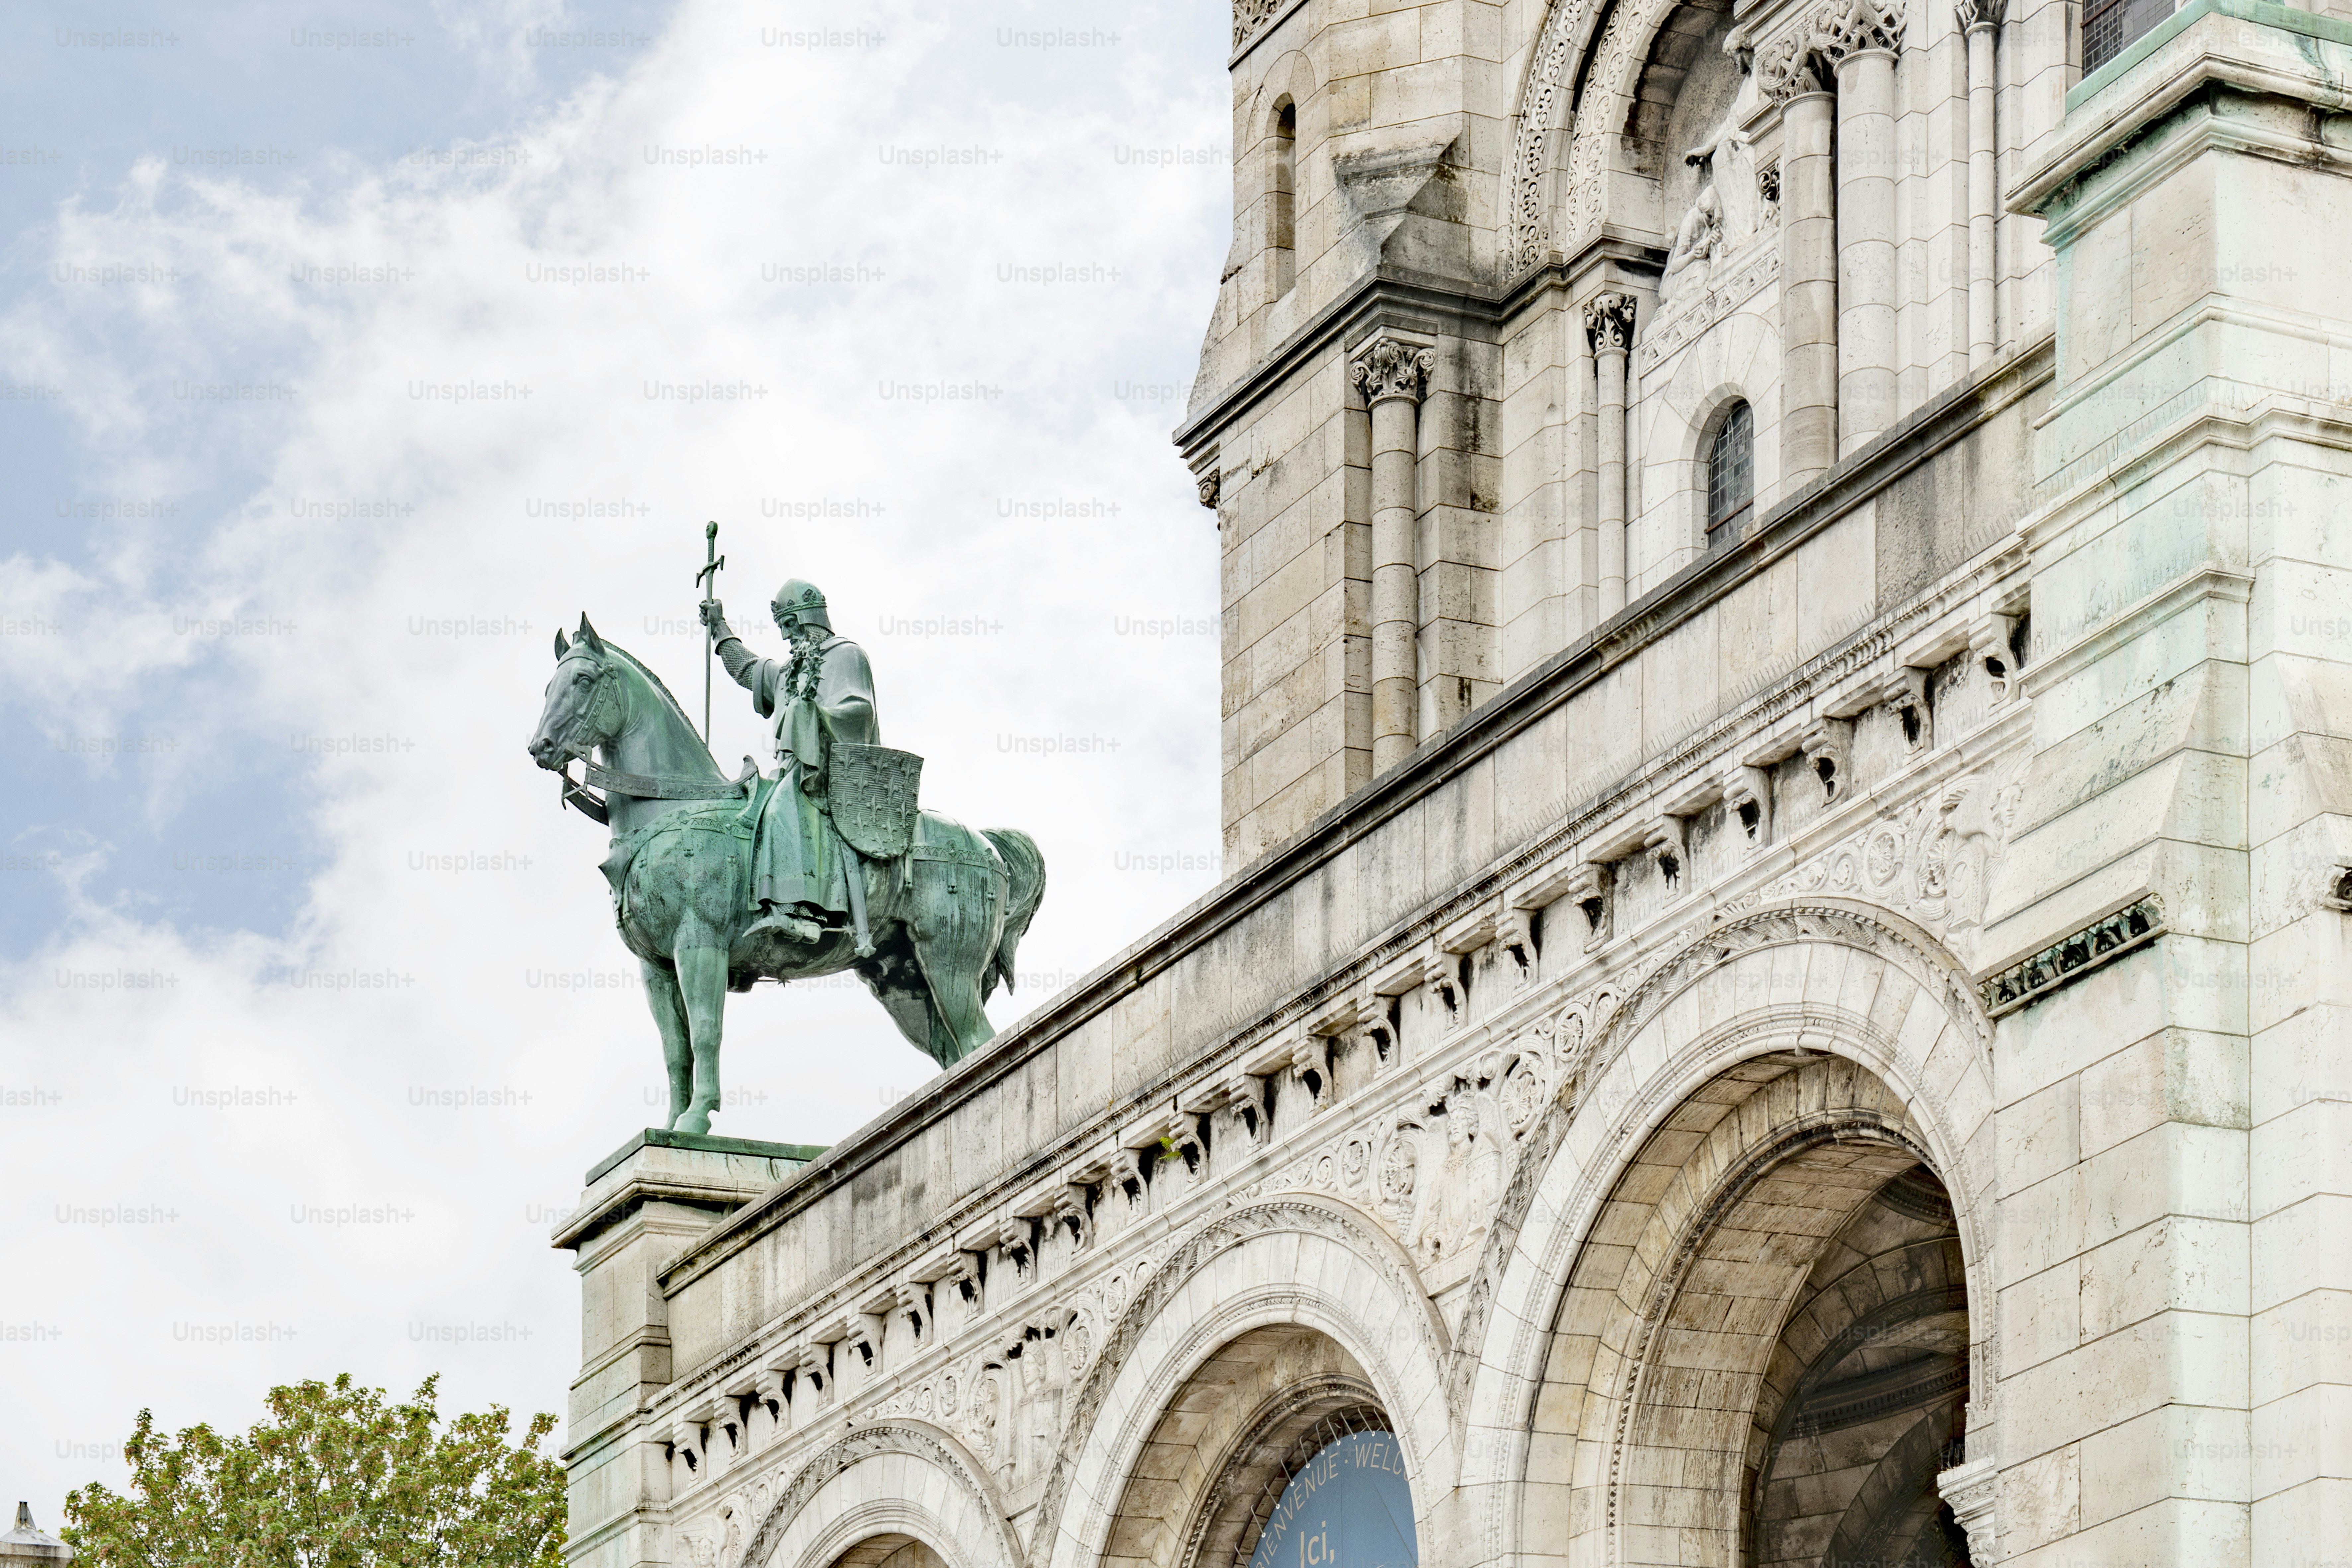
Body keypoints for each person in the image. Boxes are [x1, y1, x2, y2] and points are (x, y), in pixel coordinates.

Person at [698, 580, 878, 945]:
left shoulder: (846, 655)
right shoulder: (788, 670)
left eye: (789, 627)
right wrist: (720, 628)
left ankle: (802, 911)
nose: (786, 638)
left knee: (782, 806)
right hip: (788, 772)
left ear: (804, 620)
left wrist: (813, 714)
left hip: (830, 772)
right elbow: (747, 668)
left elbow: (861, 711)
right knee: (749, 808)